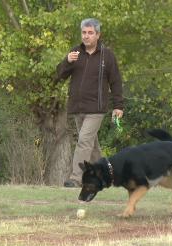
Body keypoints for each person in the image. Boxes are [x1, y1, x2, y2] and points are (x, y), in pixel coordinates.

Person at [56, 18, 124, 187]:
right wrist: (67, 61)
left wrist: (118, 106)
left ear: (98, 34)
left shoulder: (107, 56)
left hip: (96, 109)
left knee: (84, 141)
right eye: (84, 33)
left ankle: (76, 178)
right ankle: (107, 176)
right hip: (78, 107)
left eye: (90, 33)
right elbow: (59, 76)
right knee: (91, 145)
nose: (86, 36)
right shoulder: (75, 53)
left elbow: (116, 81)